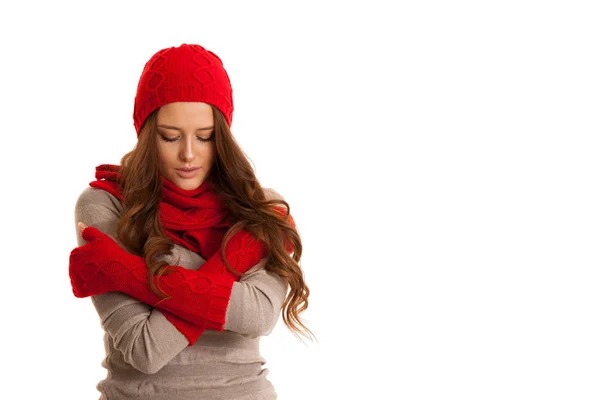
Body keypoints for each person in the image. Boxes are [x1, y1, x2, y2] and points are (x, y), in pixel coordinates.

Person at [68, 43, 313, 400]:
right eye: (169, 136)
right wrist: (236, 260)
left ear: (224, 134)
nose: (188, 154)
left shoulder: (264, 210)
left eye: (205, 136)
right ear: (146, 132)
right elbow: (146, 350)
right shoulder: (107, 204)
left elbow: (258, 315)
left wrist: (126, 272)